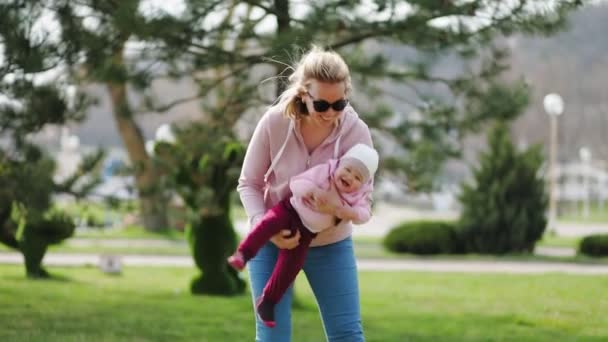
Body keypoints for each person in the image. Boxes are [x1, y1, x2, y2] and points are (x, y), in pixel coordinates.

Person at [237, 45, 374, 341]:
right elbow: (249, 182)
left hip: (330, 245)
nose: (331, 114)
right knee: (273, 334)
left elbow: (365, 200)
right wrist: (263, 225)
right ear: (303, 94)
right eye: (322, 105)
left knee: (347, 334)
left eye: (339, 104)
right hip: (272, 242)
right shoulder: (275, 122)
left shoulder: (356, 133)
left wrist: (336, 208)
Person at [229, 143, 379, 328]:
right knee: (267, 224)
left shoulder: (357, 196)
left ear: (362, 184)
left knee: (292, 266)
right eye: (347, 169)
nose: (349, 177)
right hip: (289, 211)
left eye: (357, 177)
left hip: (307, 233)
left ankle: (268, 301)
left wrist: (343, 211)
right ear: (339, 165)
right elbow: (298, 182)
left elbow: (363, 215)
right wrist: (312, 191)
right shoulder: (325, 172)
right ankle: (244, 253)